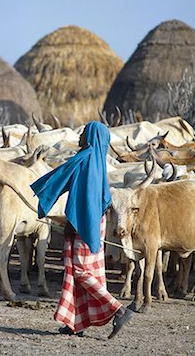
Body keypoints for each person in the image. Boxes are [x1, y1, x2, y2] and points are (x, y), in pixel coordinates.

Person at [30, 121, 133, 339]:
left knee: (79, 270)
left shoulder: (84, 157)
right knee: (85, 270)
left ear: (91, 137)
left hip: (85, 221)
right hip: (95, 220)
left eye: (84, 132)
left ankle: (118, 309)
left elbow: (59, 177)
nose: (79, 136)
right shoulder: (98, 161)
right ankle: (75, 322)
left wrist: (41, 198)